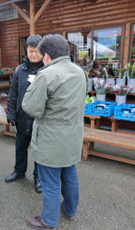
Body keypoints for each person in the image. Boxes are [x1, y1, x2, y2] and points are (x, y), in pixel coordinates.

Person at [22, 34, 86, 229]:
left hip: (51, 139)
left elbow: (31, 107)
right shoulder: (80, 72)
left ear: (47, 55)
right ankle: (70, 210)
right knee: (69, 175)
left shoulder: (46, 74)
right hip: (73, 136)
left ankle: (48, 220)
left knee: (50, 181)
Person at [5, 35, 44, 193]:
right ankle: (19, 171)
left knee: (39, 151)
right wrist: (11, 113)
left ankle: (38, 178)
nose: (33, 54)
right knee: (20, 147)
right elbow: (12, 93)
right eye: (30, 51)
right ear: (26, 51)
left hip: (40, 119)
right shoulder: (19, 70)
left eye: (36, 51)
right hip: (22, 116)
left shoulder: (46, 70)